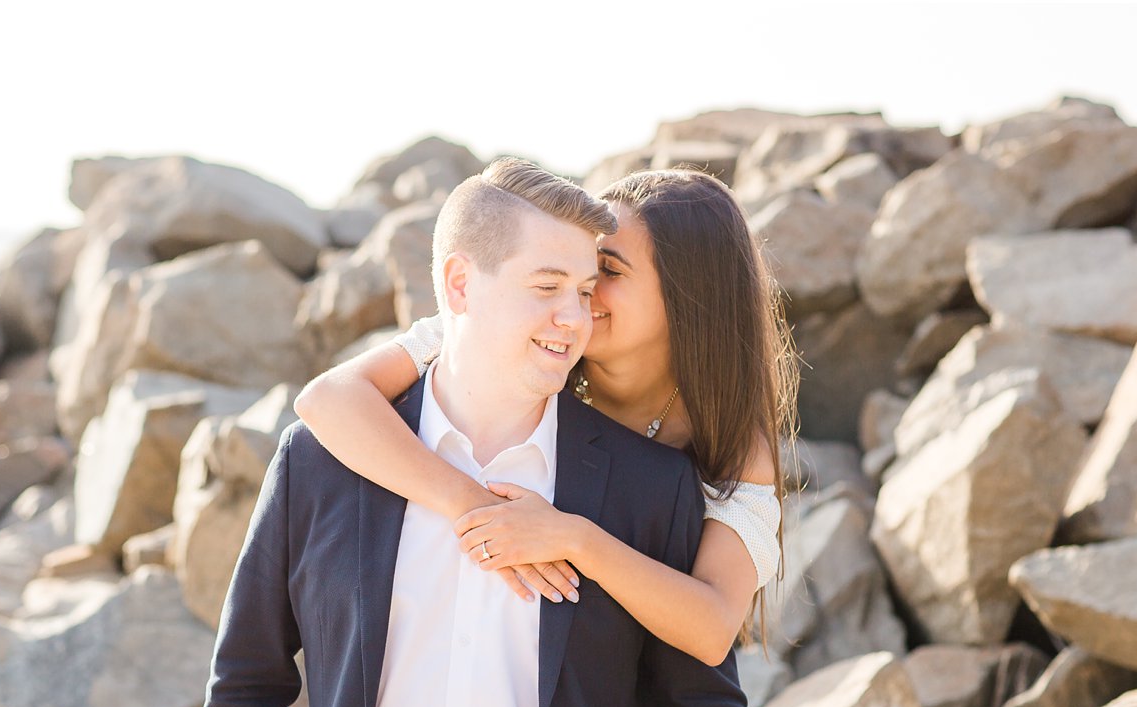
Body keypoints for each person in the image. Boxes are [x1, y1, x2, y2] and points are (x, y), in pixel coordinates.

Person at [204, 157, 752, 707]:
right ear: (459, 283)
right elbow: (244, 686)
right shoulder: (324, 463)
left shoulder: (648, 489)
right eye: (548, 288)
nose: (575, 317)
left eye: (586, 288)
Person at [294, 169, 798, 671]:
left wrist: (571, 538)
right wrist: (472, 505)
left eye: (608, 272)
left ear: (689, 299)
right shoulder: (522, 341)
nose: (579, 296)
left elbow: (712, 629)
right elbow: (329, 399)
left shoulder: (730, 444)